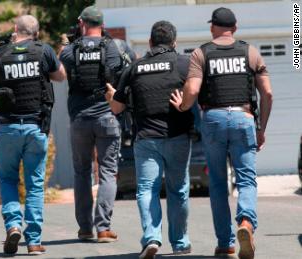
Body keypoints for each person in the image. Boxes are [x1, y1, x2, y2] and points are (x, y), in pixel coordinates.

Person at [170, 7, 273, 259]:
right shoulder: (250, 52)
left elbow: (192, 90)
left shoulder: (200, 53)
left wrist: (182, 105)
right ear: (235, 28)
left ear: (212, 27)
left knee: (217, 183)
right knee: (246, 179)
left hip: (214, 119)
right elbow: (267, 93)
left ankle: (225, 243)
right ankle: (246, 222)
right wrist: (261, 128)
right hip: (244, 118)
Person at [106, 21, 194, 259]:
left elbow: (116, 108)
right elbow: (198, 92)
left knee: (147, 189)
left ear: (150, 42)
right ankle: (180, 243)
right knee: (178, 190)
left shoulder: (134, 68)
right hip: (177, 136)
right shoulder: (184, 64)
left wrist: (110, 95)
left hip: (145, 138)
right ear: (174, 42)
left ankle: (152, 237)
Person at [0, 15, 66, 256]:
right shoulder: (44, 51)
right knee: (35, 184)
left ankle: (13, 225)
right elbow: (61, 76)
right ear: (36, 33)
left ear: (16, 29)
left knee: (7, 179)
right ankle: (34, 242)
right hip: (36, 127)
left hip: (7, 127)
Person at [59, 6, 136, 243]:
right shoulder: (114, 47)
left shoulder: (70, 50)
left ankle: (84, 228)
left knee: (81, 173)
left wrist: (69, 42)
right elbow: (130, 67)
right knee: (107, 173)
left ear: (82, 23)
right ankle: (103, 228)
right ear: (102, 25)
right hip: (107, 117)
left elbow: (62, 63)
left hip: (80, 119)